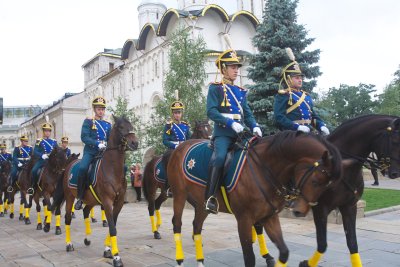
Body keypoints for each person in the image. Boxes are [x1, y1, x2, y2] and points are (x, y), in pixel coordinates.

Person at [205, 49, 262, 214]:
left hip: (241, 133)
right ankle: (210, 197)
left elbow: (248, 113)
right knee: (220, 157)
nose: (236, 70)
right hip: (223, 134)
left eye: (237, 67)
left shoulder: (240, 91)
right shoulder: (215, 88)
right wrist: (230, 122)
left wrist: (255, 126)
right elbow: (211, 112)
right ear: (223, 69)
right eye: (232, 67)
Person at [273, 48, 329, 135]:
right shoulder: (284, 95)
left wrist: (321, 125)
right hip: (290, 134)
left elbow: (313, 116)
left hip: (308, 133)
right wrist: (296, 127)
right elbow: (279, 117)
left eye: (301, 78)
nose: (300, 80)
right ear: (288, 80)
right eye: (297, 78)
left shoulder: (306, 96)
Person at [74, 97, 111, 210]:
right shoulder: (88, 121)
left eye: (102, 109)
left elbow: (110, 139)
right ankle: (80, 197)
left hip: (104, 153)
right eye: (99, 109)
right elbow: (84, 137)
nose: (101, 111)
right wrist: (97, 144)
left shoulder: (107, 124)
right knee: (83, 168)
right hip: (91, 152)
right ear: (94, 109)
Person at [162, 94, 191, 197]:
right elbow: (164, 140)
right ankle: (168, 185)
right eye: (175, 113)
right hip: (173, 149)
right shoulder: (169, 126)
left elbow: (190, 139)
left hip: (184, 148)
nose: (177, 115)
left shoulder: (185, 125)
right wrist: (175, 146)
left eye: (179, 112)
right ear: (172, 114)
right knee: (167, 159)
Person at [28, 122, 58, 195]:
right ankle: (33, 187)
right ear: (43, 131)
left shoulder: (54, 141)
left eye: (48, 131)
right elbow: (35, 151)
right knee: (34, 171)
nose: (47, 132)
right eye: (46, 131)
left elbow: (57, 150)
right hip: (42, 161)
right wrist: (42, 155)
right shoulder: (39, 141)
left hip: (51, 161)